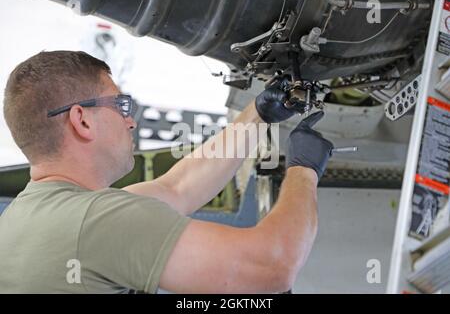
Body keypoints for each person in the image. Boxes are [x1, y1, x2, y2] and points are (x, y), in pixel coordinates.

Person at [0, 51, 333, 293]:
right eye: (121, 106)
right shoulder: (99, 222)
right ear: (81, 120)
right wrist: (304, 170)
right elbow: (273, 265)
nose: (131, 120)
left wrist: (259, 115)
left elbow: (179, 188)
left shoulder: (26, 217)